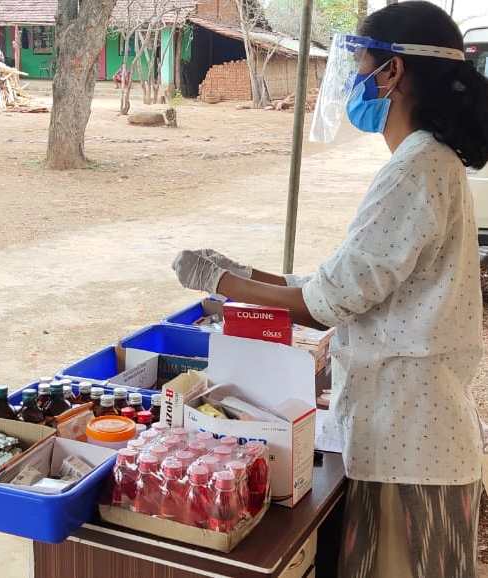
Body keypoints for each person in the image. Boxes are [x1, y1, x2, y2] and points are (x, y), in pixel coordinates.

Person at [172, 2, 488, 577]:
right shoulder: (428, 161)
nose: (354, 80)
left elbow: (328, 303)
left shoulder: (416, 168)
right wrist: (246, 273)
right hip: (412, 432)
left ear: (392, 72)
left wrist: (222, 282)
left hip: (409, 444)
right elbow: (346, 281)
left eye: (361, 63)